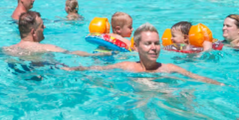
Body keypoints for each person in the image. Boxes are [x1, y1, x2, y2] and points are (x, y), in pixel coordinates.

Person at [65, 23, 221, 84]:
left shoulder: (170, 68)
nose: (154, 47)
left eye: (156, 43)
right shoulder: (127, 66)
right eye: (148, 43)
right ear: (137, 48)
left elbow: (199, 78)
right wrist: (72, 69)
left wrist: (220, 84)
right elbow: (97, 70)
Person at [1, 11, 92, 58]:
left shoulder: (6, 50)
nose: (44, 27)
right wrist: (97, 55)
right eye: (41, 26)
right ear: (33, 32)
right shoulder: (48, 48)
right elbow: (72, 53)